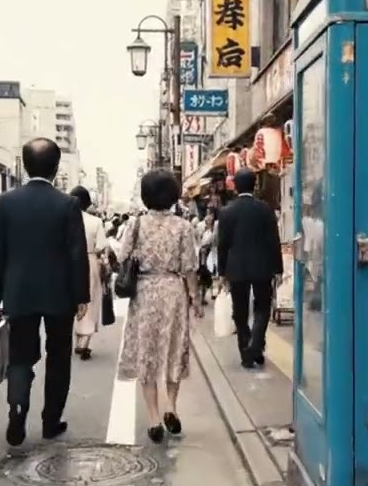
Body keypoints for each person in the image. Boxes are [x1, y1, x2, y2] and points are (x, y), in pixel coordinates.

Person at [0, 138, 89, 447]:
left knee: (20, 355)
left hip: (18, 292)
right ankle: (50, 420)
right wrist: (82, 295)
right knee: (59, 357)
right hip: (60, 294)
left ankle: (17, 410)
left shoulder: (5, 202)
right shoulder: (68, 204)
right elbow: (76, 253)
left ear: (24, 164)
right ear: (57, 168)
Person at [116, 170, 201, 443]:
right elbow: (189, 267)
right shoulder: (183, 227)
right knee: (174, 349)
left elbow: (122, 256)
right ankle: (171, 407)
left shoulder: (136, 225)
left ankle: (153, 418)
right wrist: (195, 297)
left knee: (147, 353)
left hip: (145, 291)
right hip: (174, 291)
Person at [216, 168, 283, 368]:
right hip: (263, 267)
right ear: (255, 185)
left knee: (240, 311)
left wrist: (221, 272)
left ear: (234, 186)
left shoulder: (227, 211)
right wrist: (278, 268)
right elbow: (274, 241)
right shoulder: (265, 209)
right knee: (263, 307)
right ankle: (256, 345)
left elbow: (222, 245)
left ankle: (247, 349)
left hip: (236, 268)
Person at [69, 186, 107, 360]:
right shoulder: (95, 222)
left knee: (69, 300)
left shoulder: (65, 219)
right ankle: (84, 341)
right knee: (89, 299)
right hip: (89, 260)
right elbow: (101, 245)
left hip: (67, 261)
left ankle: (74, 336)